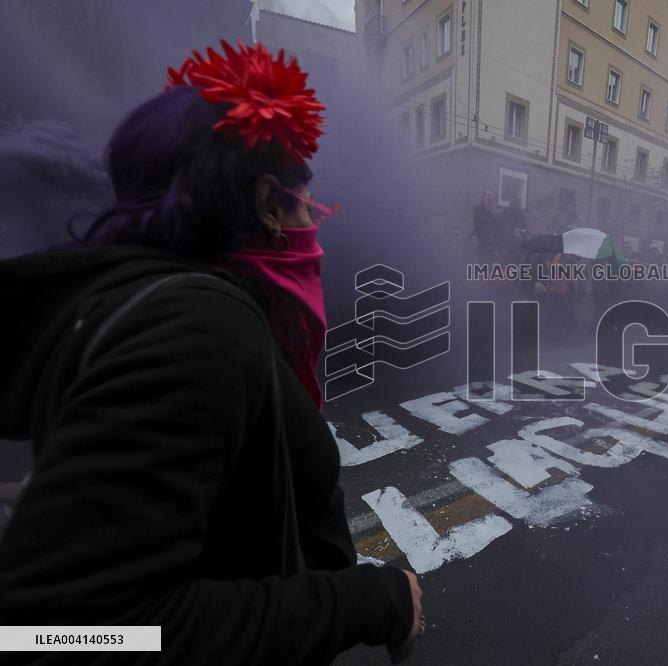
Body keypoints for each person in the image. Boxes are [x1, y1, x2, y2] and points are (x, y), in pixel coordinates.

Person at [0, 41, 423, 664]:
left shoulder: (152, 303)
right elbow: (64, 636)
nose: (315, 225)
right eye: (309, 204)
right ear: (267, 203)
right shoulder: (198, 325)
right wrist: (370, 601)